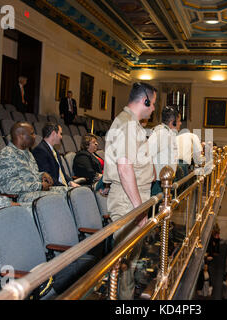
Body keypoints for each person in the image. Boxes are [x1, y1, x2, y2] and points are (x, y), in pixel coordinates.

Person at [103, 82, 156, 299]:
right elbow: (124, 168)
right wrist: (139, 209)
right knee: (123, 266)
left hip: (132, 199)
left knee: (129, 264)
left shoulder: (132, 124)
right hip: (128, 202)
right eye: (152, 104)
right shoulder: (126, 125)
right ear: (144, 100)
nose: (153, 109)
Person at [0, 122, 69, 202]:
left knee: (69, 192)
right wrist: (39, 186)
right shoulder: (5, 155)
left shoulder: (28, 154)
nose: (35, 136)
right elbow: (10, 187)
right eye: (32, 134)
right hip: (19, 197)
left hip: (35, 192)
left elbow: (31, 176)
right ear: (20, 136)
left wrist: (42, 175)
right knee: (57, 198)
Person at [31, 122, 80, 188]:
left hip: (62, 186)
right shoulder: (40, 150)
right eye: (60, 133)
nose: (61, 136)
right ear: (54, 133)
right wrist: (64, 187)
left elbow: (62, 173)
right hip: (55, 189)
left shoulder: (54, 151)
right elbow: (47, 177)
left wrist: (70, 182)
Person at [148, 105, 181, 196]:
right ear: (172, 122)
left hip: (166, 181)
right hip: (159, 182)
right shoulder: (161, 133)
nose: (180, 123)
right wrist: (153, 173)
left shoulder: (168, 133)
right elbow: (147, 153)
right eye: (178, 121)